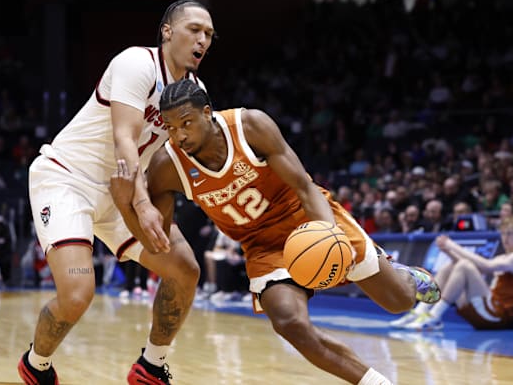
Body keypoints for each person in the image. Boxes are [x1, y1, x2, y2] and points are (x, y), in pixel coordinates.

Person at [109, 79, 441, 385]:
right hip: (261, 245)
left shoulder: (249, 126)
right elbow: (158, 243)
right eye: (171, 128)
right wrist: (126, 204)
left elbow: (304, 187)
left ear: (207, 113)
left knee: (398, 301)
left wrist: (327, 233)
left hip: (306, 220)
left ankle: (406, 276)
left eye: (186, 123)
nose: (179, 135)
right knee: (288, 323)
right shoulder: (168, 166)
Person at [19, 0, 215, 385]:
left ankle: (151, 366)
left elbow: (176, 161)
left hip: (123, 191)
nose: (203, 40)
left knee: (185, 270)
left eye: (209, 34)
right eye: (194, 29)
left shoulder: (196, 91)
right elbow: (124, 136)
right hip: (69, 179)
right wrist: (141, 204)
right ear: (168, 31)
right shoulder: (136, 63)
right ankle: (35, 364)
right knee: (77, 293)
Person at [391, 216, 513, 330]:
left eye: (509, 233)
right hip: (487, 309)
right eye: (503, 233)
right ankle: (421, 310)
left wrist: (453, 245)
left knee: (464, 265)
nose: (505, 238)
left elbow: (487, 266)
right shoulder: (503, 257)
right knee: (450, 266)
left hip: (499, 315)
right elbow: (478, 269)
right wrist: (448, 252)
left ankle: (434, 316)